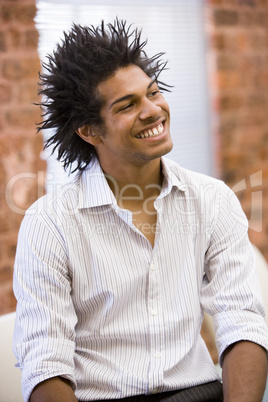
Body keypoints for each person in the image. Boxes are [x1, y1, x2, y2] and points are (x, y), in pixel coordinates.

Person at [13, 20, 268, 402]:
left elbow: (243, 324)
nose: (153, 110)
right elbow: (45, 367)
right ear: (89, 131)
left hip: (200, 393)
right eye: (128, 105)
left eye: (153, 92)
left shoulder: (212, 200)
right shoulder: (48, 224)